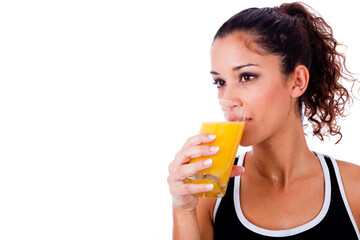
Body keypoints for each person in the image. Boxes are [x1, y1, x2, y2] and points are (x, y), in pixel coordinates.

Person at [167, 2, 360, 239]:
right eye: (220, 82)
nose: (228, 99)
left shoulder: (354, 190)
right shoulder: (209, 194)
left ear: (297, 81)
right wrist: (183, 210)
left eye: (247, 76)